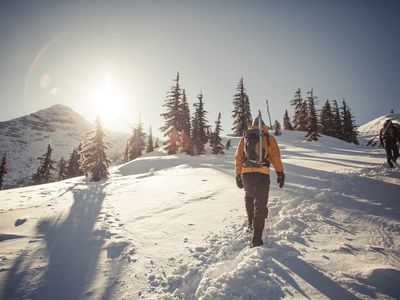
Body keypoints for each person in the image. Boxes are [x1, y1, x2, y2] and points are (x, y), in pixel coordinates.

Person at [235, 116, 284, 247]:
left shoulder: (245, 138)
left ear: (253, 125)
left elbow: (238, 157)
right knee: (260, 205)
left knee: (249, 197)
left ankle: (251, 223)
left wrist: (238, 174)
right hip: (262, 173)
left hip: (246, 174)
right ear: (263, 125)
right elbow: (275, 157)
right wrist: (280, 173)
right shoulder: (268, 137)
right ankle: (256, 239)